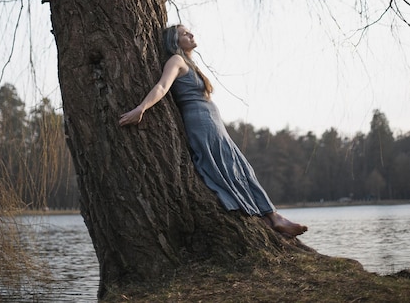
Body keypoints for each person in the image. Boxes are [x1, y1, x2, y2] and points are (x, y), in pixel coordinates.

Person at [119, 24, 307, 238]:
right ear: (174, 41)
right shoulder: (176, 61)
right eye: (184, 34)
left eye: (190, 31)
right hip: (200, 121)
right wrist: (141, 108)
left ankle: (269, 217)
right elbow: (162, 86)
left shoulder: (190, 63)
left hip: (211, 121)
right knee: (224, 167)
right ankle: (271, 217)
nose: (190, 34)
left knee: (239, 167)